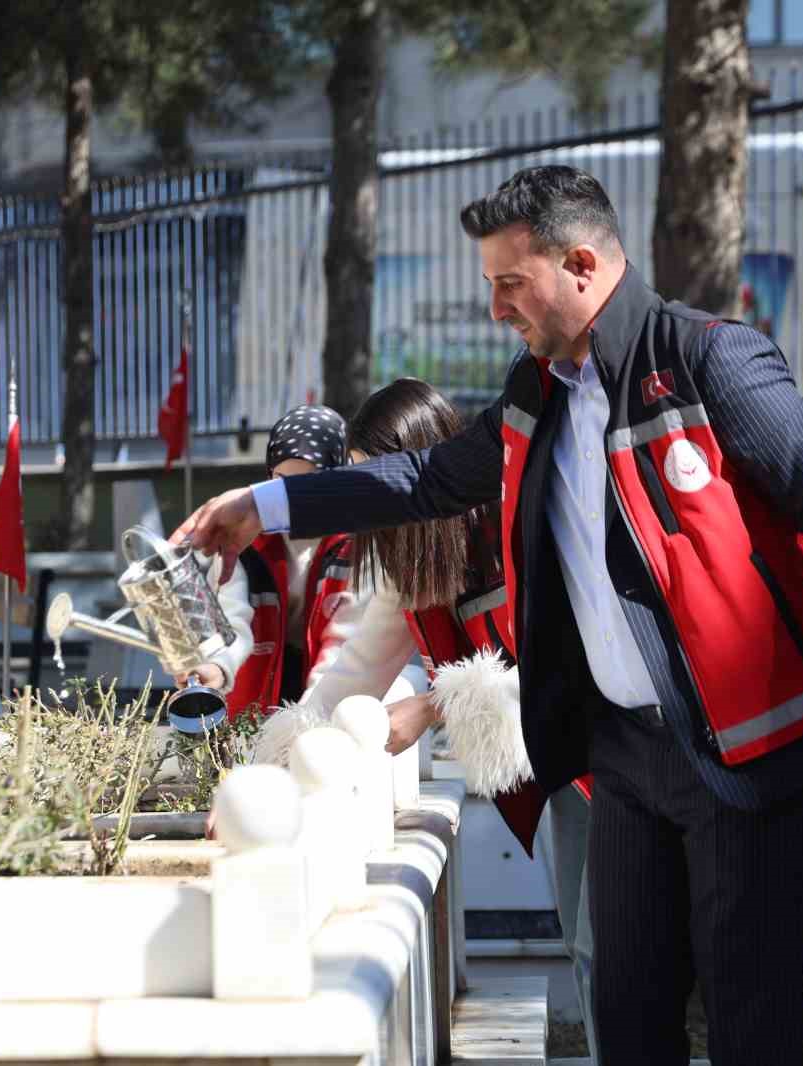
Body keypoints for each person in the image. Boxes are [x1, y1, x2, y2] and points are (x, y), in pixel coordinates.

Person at [176, 166, 803, 1066]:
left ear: (581, 264)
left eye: (511, 282)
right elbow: (424, 479)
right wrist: (264, 506)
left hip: (752, 749)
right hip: (621, 756)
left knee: (751, 1018)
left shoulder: (706, 357)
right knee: (625, 1012)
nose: (499, 307)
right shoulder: (532, 391)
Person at [274, 378, 602, 1062]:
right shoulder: (410, 559)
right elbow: (352, 674)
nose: (371, 504)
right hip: (566, 774)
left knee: (611, 947)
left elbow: (554, 668)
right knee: (587, 941)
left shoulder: (514, 519)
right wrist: (273, 757)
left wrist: (429, 706)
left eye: (379, 482)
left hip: (613, 762)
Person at [190, 405, 369, 718]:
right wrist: (219, 664)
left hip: (331, 680)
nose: (292, 496)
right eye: (281, 481)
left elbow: (344, 643)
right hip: (261, 680)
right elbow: (231, 619)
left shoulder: (356, 544)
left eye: (308, 483)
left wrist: (310, 718)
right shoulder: (245, 540)